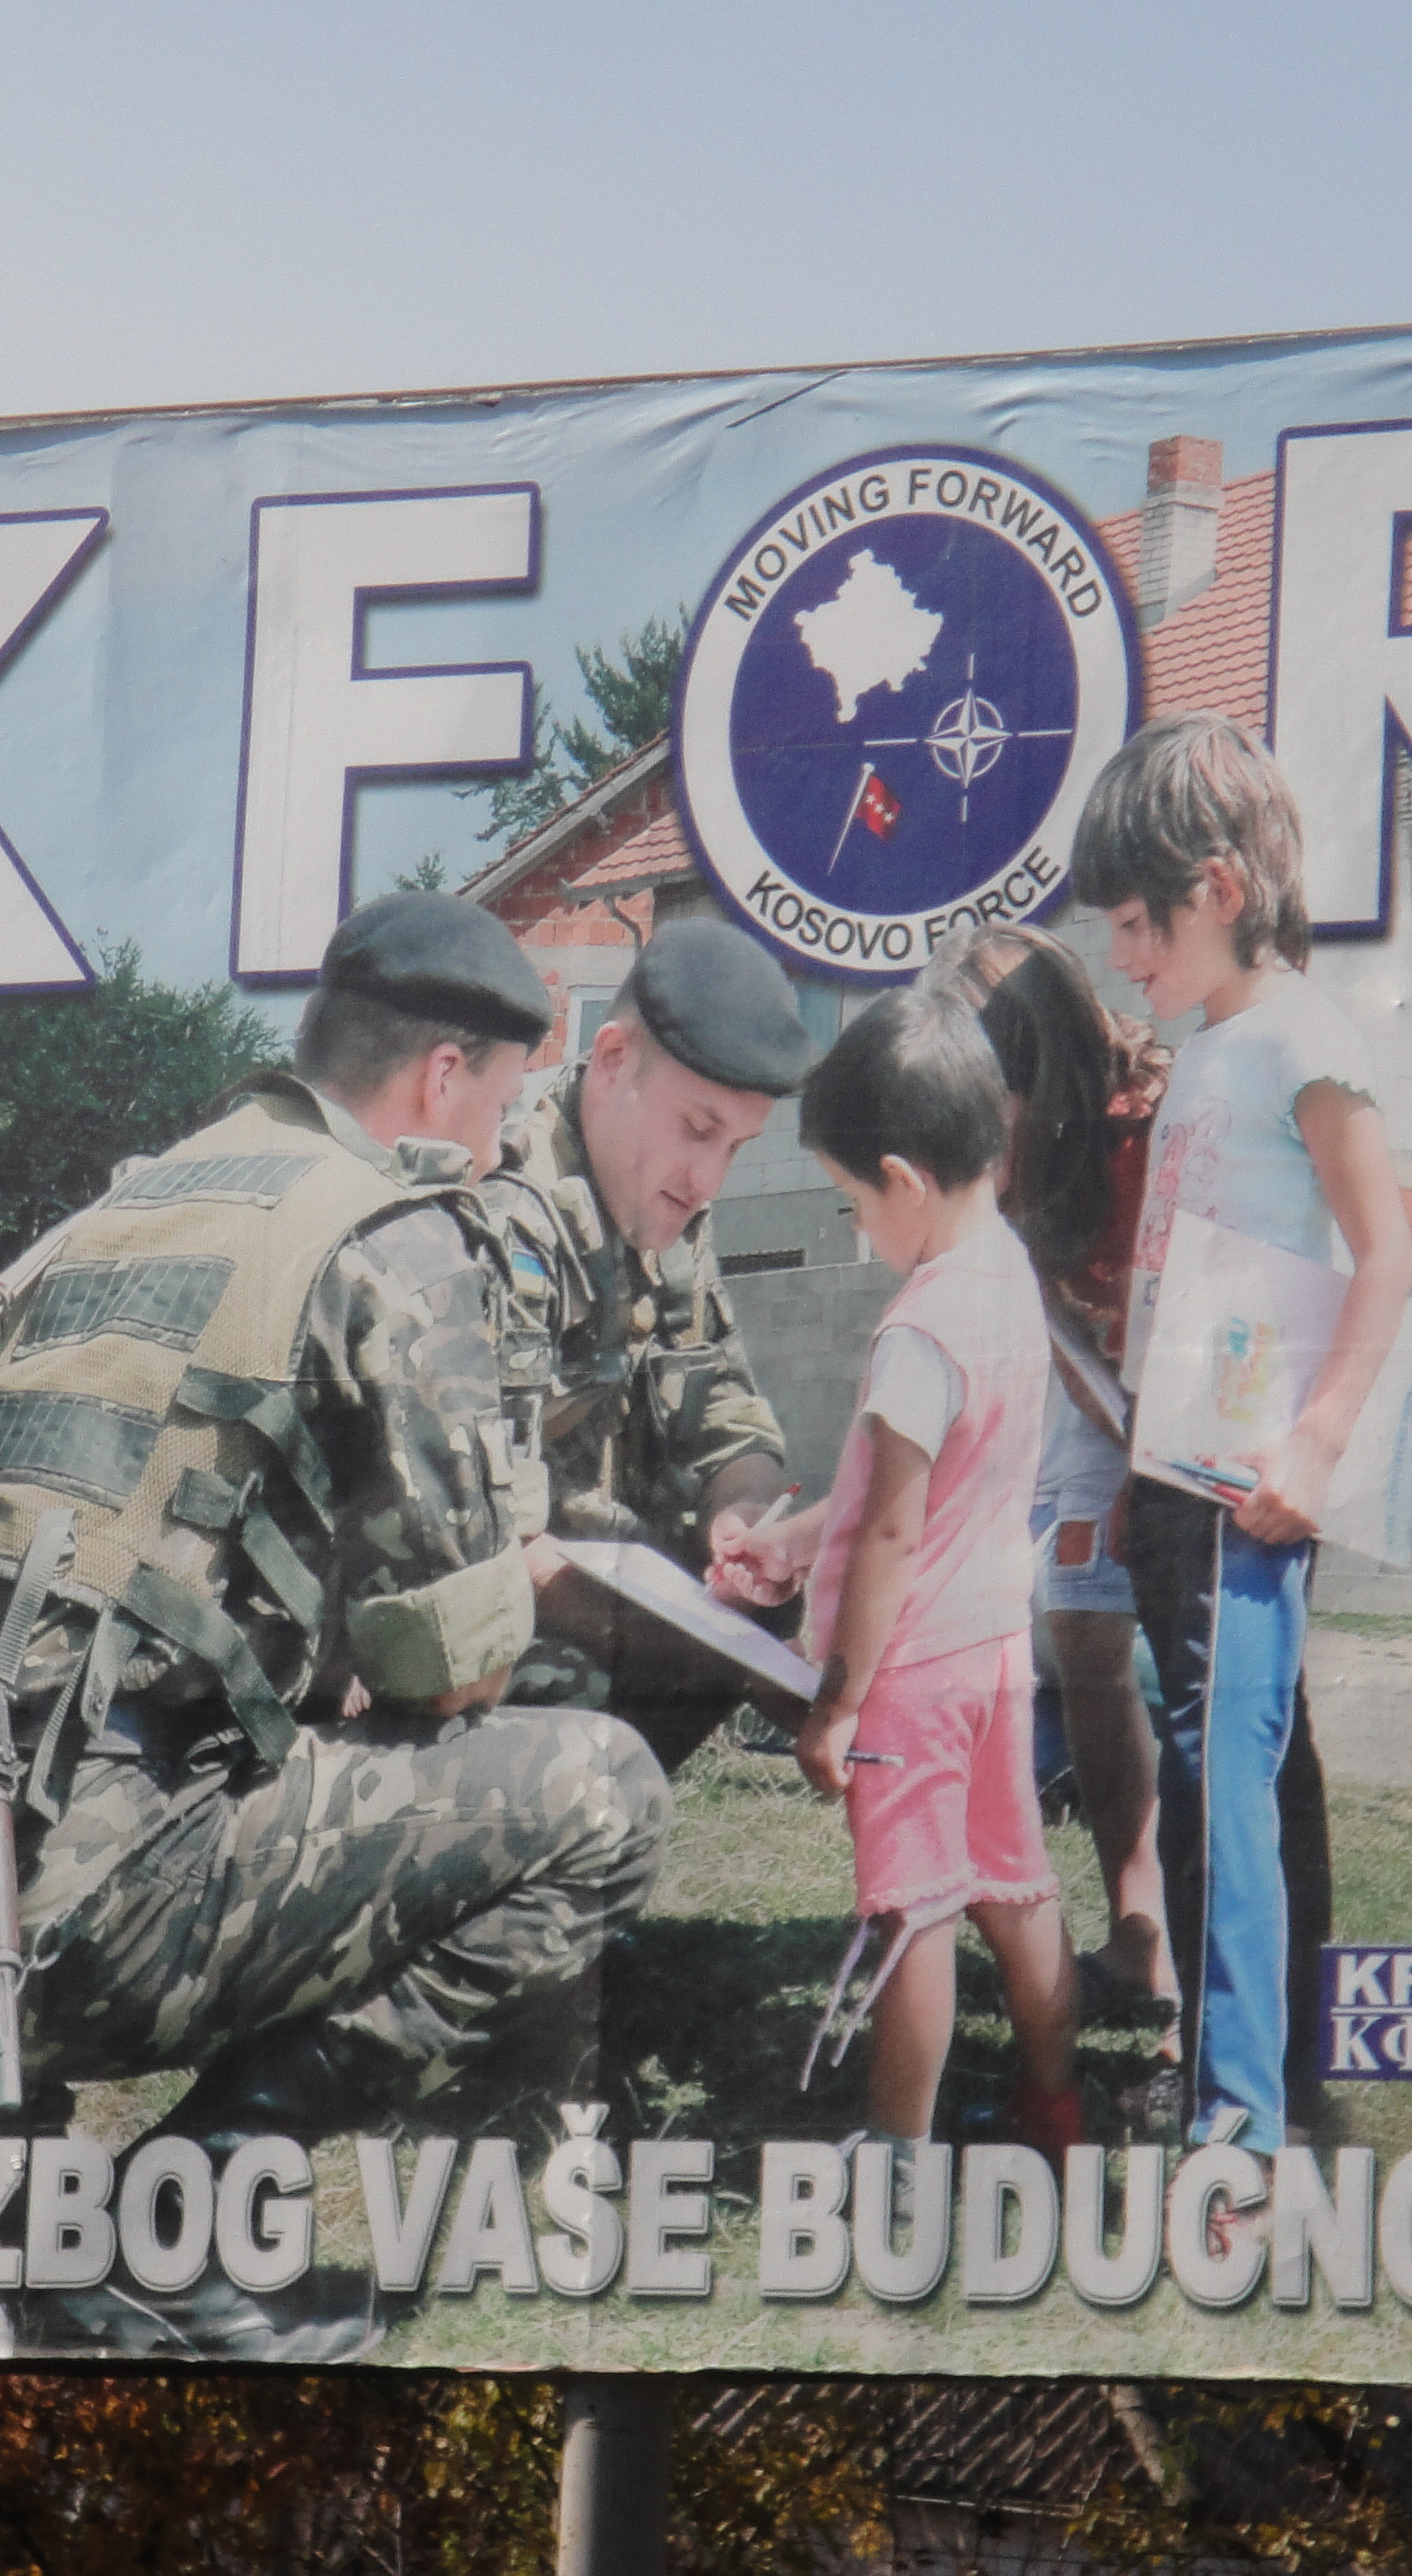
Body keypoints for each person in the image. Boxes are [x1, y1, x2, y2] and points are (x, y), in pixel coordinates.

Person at [0, 891, 672, 2353]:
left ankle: (11, 2193)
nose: (495, 1148)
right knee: (603, 1790)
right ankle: (186, 2225)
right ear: (443, 1076)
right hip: (71, 1915)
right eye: (498, 1107)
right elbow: (456, 1672)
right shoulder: (390, 1233)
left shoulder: (137, 1197)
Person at [1073, 710, 1412, 2154]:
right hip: (1177, 1467)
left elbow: (1387, 1253)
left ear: (1219, 889)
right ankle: (1254, 2072)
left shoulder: (1302, 1043)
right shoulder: (1209, 1046)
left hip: (1245, 1486)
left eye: (1134, 925)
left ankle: (1239, 2115)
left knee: (1223, 1774)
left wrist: (1317, 1443)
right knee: (1230, 1767)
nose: (1120, 957)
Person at [729, 988, 1081, 2162]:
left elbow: (890, 1535)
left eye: (851, 1200)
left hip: (912, 1677)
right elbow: (919, 1486)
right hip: (995, 1656)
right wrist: (794, 1540)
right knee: (1015, 1888)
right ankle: (1054, 2106)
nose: (855, 1226)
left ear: (902, 1179)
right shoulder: (1009, 1273)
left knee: (912, 1910)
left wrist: (836, 1704)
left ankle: (895, 2146)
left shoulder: (918, 1330)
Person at [486, 915, 817, 1764]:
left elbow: (726, 1411)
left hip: (617, 1584)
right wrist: (681, 1641)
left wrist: (745, 1528)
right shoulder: (500, 1214)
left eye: (736, 1148)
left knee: (777, 1607)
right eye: (699, 1130)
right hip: (499, 1603)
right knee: (577, 1692)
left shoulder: (664, 1202)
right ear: (612, 1060)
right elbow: (482, 1545)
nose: (709, 1181)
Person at [930, 925, 1177, 2027]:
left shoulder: (1147, 1130)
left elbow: (1190, 1323)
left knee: (1190, 1650)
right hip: (1105, 1392)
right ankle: (1137, 1923)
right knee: (1079, 1632)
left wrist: (1154, 1473)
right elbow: (1059, 1334)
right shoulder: (1008, 1156)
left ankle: (1195, 1957)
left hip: (1191, 1388)